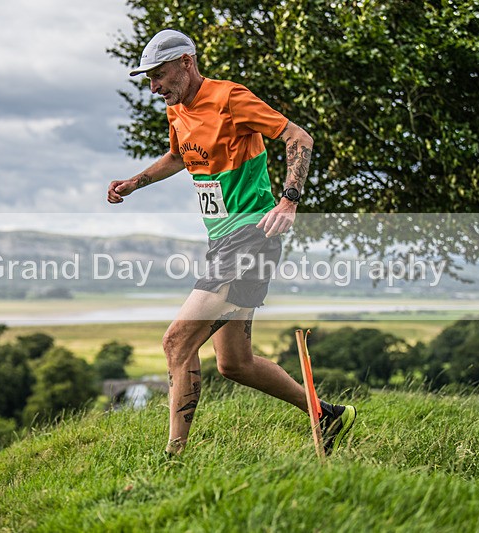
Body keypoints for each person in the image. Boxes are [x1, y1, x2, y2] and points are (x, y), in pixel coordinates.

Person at [107, 29, 356, 455]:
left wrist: (289, 201)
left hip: (251, 237)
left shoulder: (230, 98)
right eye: (149, 79)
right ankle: (327, 415)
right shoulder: (176, 110)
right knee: (235, 364)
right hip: (222, 242)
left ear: (186, 62)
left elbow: (299, 138)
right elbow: (178, 157)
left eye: (159, 75)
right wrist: (135, 182)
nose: (154, 87)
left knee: (176, 342)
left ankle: (174, 456)